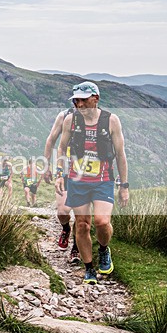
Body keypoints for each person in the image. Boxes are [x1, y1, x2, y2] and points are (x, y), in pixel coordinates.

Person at [55, 81, 129, 284]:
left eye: (83, 100)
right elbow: (61, 148)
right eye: (76, 100)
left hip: (103, 180)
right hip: (78, 181)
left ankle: (104, 249)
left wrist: (124, 186)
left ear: (95, 99)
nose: (79, 104)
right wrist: (60, 173)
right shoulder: (70, 120)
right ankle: (88, 267)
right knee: (82, 225)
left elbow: (121, 155)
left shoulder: (111, 121)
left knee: (102, 222)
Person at [44, 106, 79, 263]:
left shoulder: (97, 118)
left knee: (81, 215)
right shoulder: (64, 116)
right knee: (62, 211)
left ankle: (76, 249)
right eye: (77, 101)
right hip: (65, 169)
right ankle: (66, 228)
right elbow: (51, 140)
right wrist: (47, 167)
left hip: (85, 172)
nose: (80, 104)